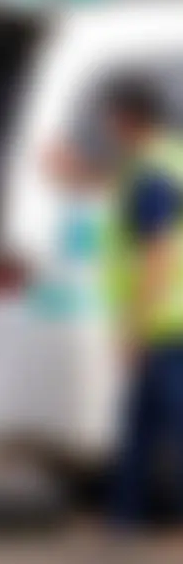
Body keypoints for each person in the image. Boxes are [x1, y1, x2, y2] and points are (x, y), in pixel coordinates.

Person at [95, 76, 183, 527]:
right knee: (142, 427)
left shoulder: (150, 170)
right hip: (162, 322)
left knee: (164, 424)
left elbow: (157, 251)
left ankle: (126, 516)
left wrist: (135, 327)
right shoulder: (165, 160)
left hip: (162, 325)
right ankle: (124, 516)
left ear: (129, 119)